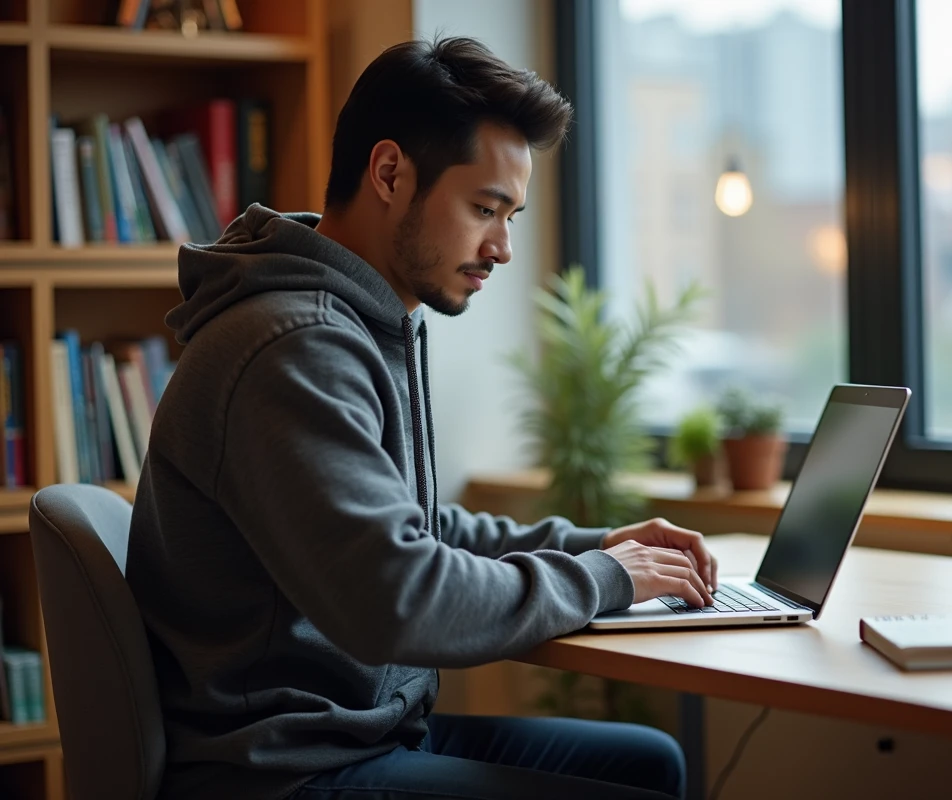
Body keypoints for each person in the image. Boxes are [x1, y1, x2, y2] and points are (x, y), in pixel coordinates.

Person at [127, 36, 720, 800]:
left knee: (649, 761)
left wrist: (600, 545)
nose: (502, 247)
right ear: (389, 173)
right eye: (485, 209)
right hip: (281, 770)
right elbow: (398, 598)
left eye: (511, 215)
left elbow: (416, 531)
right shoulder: (293, 347)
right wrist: (606, 578)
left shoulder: (355, 322)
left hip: (354, 732)